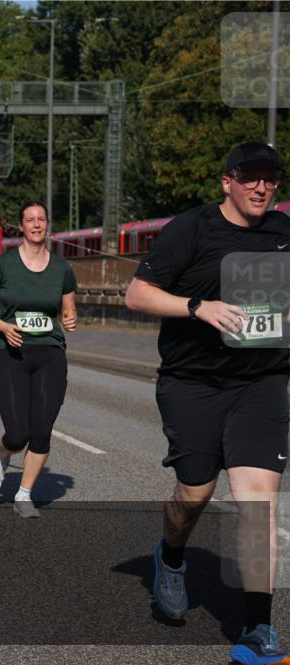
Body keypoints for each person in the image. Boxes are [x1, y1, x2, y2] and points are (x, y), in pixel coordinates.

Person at [125, 142, 288, 665]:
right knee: (194, 492)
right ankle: (171, 555)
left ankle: (260, 627)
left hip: (260, 381)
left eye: (271, 178)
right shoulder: (191, 229)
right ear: (227, 182)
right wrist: (199, 307)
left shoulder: (285, 235)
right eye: (250, 177)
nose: (261, 187)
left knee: (258, 498)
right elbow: (137, 294)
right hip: (192, 382)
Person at [0, 200, 78, 519]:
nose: (36, 224)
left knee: (42, 428)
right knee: (19, 432)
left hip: (49, 351)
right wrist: (3, 326)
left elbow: (67, 310)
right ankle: (4, 454)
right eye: (30, 220)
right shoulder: (3, 265)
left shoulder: (62, 269)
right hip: (10, 350)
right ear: (22, 226)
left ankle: (24, 493)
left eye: (41, 219)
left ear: (48, 225)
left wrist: (71, 319)